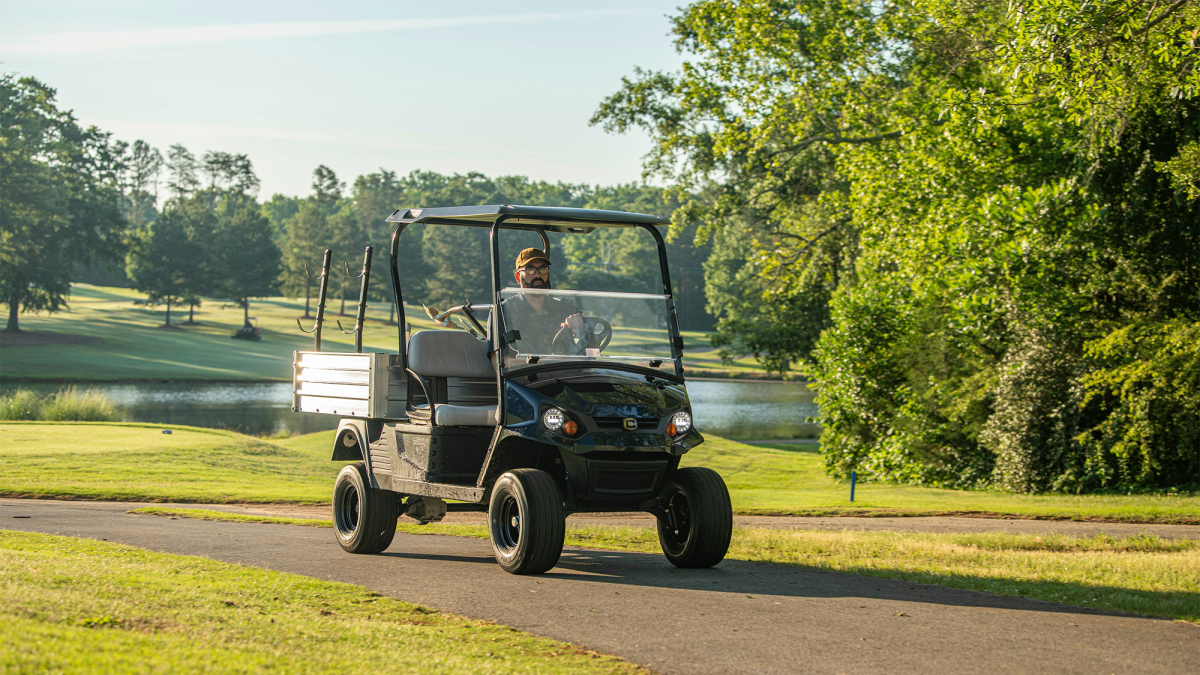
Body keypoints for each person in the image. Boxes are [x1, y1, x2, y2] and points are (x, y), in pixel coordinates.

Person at [501, 248, 585, 354]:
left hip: (565, 369)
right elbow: (499, 361)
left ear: (548, 275)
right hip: (525, 371)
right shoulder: (504, 312)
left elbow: (591, 347)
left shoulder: (566, 308)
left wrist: (580, 329)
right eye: (530, 270)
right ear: (518, 277)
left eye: (543, 269)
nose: (537, 275)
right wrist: (545, 362)